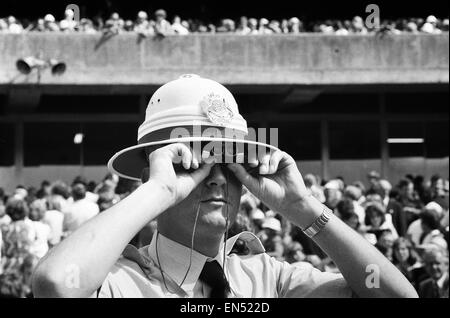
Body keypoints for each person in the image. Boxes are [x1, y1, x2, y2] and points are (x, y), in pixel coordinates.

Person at [32, 74, 417, 298]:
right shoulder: (118, 282)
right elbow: (54, 284)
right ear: (157, 170)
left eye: (231, 164)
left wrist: (303, 207)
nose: (217, 176)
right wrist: (159, 190)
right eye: (193, 163)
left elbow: (396, 296)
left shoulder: (268, 278)